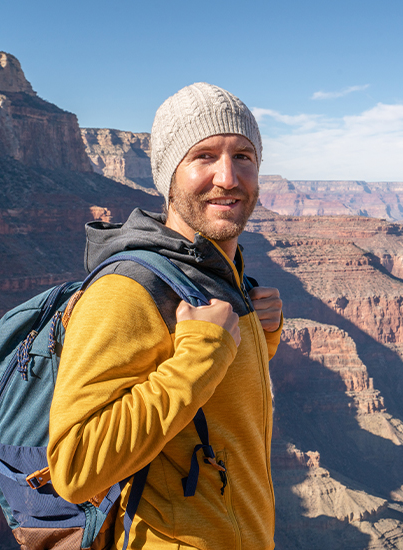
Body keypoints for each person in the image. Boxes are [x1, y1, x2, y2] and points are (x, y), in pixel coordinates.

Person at [48, 82, 283, 549]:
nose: (228, 177)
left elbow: (216, 406)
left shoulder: (220, 273)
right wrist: (204, 353)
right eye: (204, 156)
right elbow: (74, 469)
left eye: (243, 156)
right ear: (168, 175)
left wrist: (261, 334)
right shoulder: (127, 289)